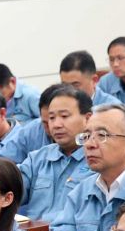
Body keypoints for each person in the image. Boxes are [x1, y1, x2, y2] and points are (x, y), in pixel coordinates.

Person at [18, 84, 93, 222]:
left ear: (88, 118)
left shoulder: (100, 160)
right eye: (51, 118)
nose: (56, 125)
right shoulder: (37, 159)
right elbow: (7, 187)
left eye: (64, 116)